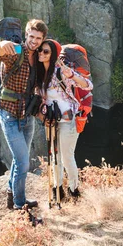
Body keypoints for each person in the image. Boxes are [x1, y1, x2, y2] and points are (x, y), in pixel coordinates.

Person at [0, 18, 48, 210]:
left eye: (38, 38)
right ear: (26, 35)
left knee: (20, 160)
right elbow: (0, 53)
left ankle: (12, 197)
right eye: (31, 36)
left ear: (42, 39)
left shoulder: (39, 57)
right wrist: (2, 45)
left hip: (26, 116)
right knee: (23, 162)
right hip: (9, 114)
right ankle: (19, 205)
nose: (34, 41)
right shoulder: (17, 51)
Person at [36, 39, 93, 199]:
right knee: (54, 156)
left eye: (46, 51)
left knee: (67, 156)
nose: (41, 53)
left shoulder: (60, 72)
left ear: (53, 54)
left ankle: (74, 189)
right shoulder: (39, 73)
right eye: (40, 50)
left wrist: (72, 75)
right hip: (51, 120)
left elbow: (87, 86)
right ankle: (57, 188)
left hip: (69, 120)